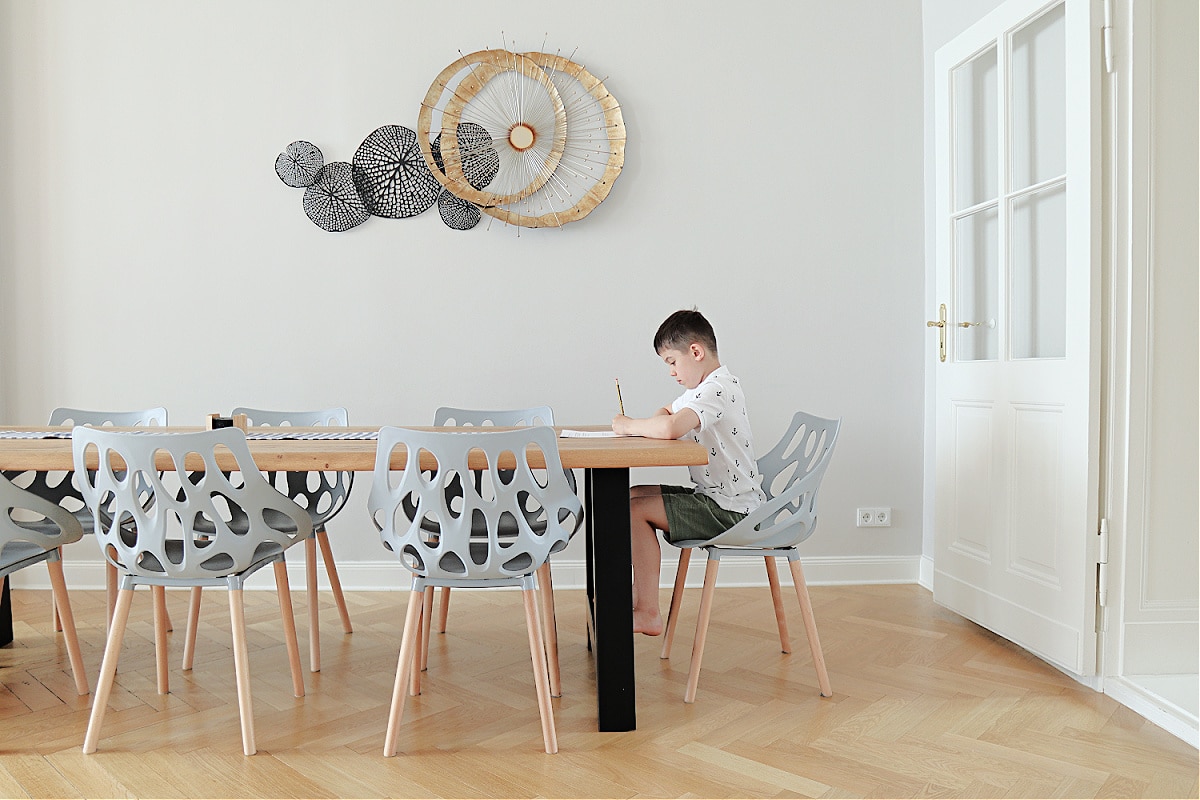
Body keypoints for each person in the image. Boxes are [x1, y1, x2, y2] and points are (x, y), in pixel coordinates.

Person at [612, 309, 766, 635]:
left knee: (633, 511)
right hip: (716, 498)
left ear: (695, 352)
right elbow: (667, 412)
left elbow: (669, 426)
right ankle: (636, 599)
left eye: (671, 361)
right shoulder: (700, 390)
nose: (670, 372)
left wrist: (627, 426)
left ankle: (648, 612)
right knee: (630, 496)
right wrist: (657, 423)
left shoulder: (717, 390)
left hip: (733, 510)